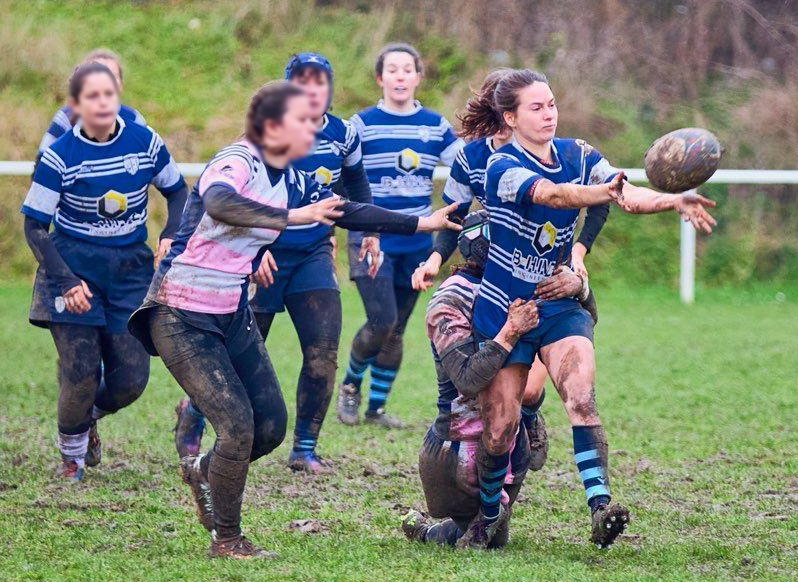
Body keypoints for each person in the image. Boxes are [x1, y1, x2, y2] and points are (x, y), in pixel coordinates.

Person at [128, 81, 460, 558]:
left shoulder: (292, 175)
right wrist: (296, 215)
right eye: (302, 120)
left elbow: (342, 208)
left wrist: (421, 223)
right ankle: (227, 538)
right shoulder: (237, 161)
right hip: (180, 311)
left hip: (229, 310)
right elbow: (219, 202)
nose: (312, 128)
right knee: (238, 426)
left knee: (270, 428)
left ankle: (203, 470)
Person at [470, 68, 716, 549]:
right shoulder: (501, 167)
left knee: (580, 396)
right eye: (536, 107)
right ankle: (489, 518)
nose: (549, 113)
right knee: (500, 428)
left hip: (559, 305)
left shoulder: (579, 154)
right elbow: (554, 194)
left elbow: (625, 192)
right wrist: (607, 192)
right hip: (505, 310)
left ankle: (601, 507)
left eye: (552, 103)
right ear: (510, 116)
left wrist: (671, 198)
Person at [410, 69, 609, 473]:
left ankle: (530, 421)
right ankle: (472, 440)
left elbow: (592, 199)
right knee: (488, 385)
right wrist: (434, 260)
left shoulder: (552, 154)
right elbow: (453, 215)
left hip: (538, 276)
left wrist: (579, 255)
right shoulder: (474, 158)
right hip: (486, 275)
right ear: (505, 114)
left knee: (533, 388)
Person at [21, 62, 188, 481]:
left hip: (129, 269)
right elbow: (34, 226)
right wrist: (66, 281)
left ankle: (85, 417)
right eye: (91, 96)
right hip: (73, 267)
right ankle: (72, 458)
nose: (102, 103)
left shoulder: (143, 141)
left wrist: (170, 232)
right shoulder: (60, 156)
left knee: (131, 379)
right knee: (79, 372)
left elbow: (178, 190)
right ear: (75, 104)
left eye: (108, 94)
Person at [402, 210, 585, 549]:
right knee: (480, 538)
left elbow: (581, 323)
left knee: (492, 540)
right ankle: (427, 531)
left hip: (508, 441)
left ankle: (529, 417)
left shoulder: (527, 285)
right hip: (458, 449)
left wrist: (580, 287)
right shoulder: (450, 298)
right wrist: (511, 331)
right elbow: (468, 381)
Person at [337, 42, 466, 428]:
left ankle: (376, 409)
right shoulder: (359, 125)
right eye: (391, 69)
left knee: (397, 330)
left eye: (407, 69)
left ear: (417, 76)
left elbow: (467, 162)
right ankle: (349, 386)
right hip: (372, 239)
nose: (399, 76)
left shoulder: (434, 125)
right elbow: (339, 171)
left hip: (417, 243)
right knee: (381, 320)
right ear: (380, 78)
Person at [36, 49, 146, 164]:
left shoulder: (133, 118)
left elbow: (151, 163)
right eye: (97, 74)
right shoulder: (66, 118)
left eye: (113, 76)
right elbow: (42, 164)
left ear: (121, 85)